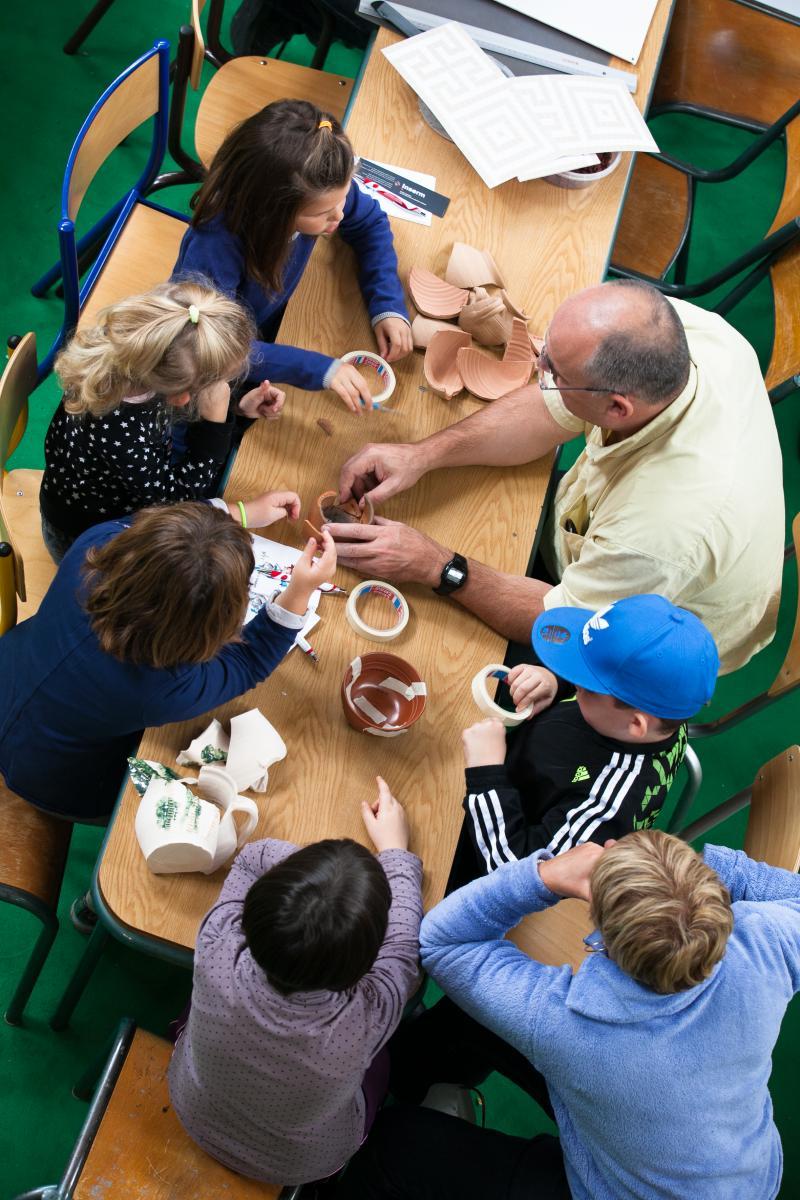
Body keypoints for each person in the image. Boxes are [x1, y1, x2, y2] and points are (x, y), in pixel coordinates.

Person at [328, 281, 784, 674]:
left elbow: (561, 622)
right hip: (630, 535)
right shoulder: (681, 332)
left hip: (656, 631)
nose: (537, 369)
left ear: (617, 408)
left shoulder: (659, 530)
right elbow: (550, 409)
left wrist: (434, 564)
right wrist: (421, 456)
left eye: (553, 369)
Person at [336, 830, 800, 1200]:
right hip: (747, 1180)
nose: (611, 847)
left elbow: (442, 941)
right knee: (471, 1022)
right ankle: (404, 1072)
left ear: (600, 930)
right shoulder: (768, 940)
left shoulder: (566, 1025)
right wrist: (682, 881)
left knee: (392, 1147)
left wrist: (546, 876)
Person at [0, 500, 335, 821]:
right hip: (51, 781)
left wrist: (237, 512)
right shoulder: (161, 689)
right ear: (203, 630)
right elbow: (249, 660)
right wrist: (299, 591)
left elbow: (147, 525)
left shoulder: (97, 542)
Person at [168, 777, 423, 1187]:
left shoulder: (217, 940)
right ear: (366, 963)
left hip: (193, 1111)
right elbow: (404, 941)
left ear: (252, 911)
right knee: (384, 1064)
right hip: (302, 1164)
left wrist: (316, 879)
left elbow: (252, 858)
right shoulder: (374, 1010)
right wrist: (395, 852)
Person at [172, 98, 412, 413]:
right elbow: (209, 347)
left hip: (260, 327)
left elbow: (370, 222)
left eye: (343, 198)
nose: (339, 215)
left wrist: (388, 304)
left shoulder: (318, 183)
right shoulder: (215, 247)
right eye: (325, 212)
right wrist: (319, 370)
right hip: (212, 362)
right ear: (274, 212)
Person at [459, 594, 718, 877]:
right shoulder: (660, 712)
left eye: (588, 686)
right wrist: (555, 682)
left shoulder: (606, 805)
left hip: (482, 837)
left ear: (636, 724)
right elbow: (611, 687)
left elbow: (511, 873)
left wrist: (486, 775)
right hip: (513, 775)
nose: (578, 684)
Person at [39, 280, 286, 563]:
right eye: (220, 383)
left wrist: (236, 407)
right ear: (181, 396)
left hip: (96, 502)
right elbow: (177, 504)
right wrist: (215, 427)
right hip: (85, 541)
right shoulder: (120, 429)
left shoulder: (134, 357)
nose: (224, 388)